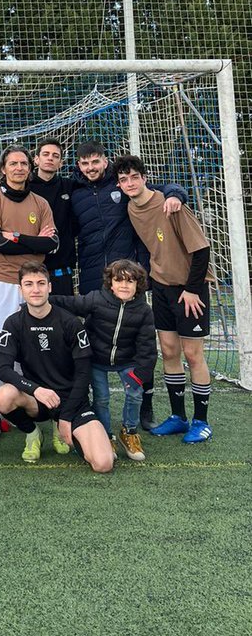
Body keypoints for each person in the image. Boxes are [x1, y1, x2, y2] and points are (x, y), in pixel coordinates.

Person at [71, 139, 188, 430]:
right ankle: (90, 410)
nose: (90, 168)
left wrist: (176, 193)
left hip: (129, 278)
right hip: (92, 277)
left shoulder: (122, 183)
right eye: (85, 163)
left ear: (104, 160)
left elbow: (158, 190)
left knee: (139, 343)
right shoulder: (72, 191)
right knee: (92, 342)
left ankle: (144, 405)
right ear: (78, 165)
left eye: (95, 161)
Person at [112, 156, 214, 443]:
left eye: (134, 177)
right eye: (123, 180)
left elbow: (202, 250)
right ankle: (178, 417)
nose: (129, 183)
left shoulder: (172, 205)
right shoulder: (131, 208)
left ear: (145, 178)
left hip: (189, 289)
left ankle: (201, 421)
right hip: (161, 286)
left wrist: (192, 289)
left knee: (193, 355)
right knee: (169, 352)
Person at [0, 264, 115, 474]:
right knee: (4, 396)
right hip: (38, 399)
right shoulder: (13, 323)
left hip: (73, 401)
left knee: (103, 463)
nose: (36, 289)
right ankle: (33, 433)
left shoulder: (70, 322)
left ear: (50, 287)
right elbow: (4, 370)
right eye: (29, 284)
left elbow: (83, 374)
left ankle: (61, 427)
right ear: (20, 290)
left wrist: (66, 417)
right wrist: (36, 390)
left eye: (41, 283)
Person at [0, 145, 58, 441]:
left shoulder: (41, 203)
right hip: (1, 283)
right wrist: (32, 242)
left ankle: (26, 406)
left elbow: (53, 245)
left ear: (30, 167)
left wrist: (16, 238)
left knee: (33, 344)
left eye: (24, 163)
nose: (19, 168)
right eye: (13, 163)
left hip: (35, 283)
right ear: (3, 168)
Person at [50, 258, 157, 462]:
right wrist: (44, 300)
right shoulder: (96, 299)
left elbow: (148, 346)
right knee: (102, 398)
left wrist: (140, 374)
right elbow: (70, 303)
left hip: (127, 360)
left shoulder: (144, 311)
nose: (124, 285)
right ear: (111, 283)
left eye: (130, 281)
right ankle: (106, 436)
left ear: (138, 285)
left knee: (135, 393)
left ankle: (130, 432)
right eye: (119, 280)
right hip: (97, 359)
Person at [29, 139, 76, 295]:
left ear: (61, 163)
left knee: (64, 316)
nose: (50, 158)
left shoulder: (69, 186)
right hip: (31, 267)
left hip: (61, 267)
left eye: (55, 156)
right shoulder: (24, 187)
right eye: (46, 154)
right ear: (36, 159)